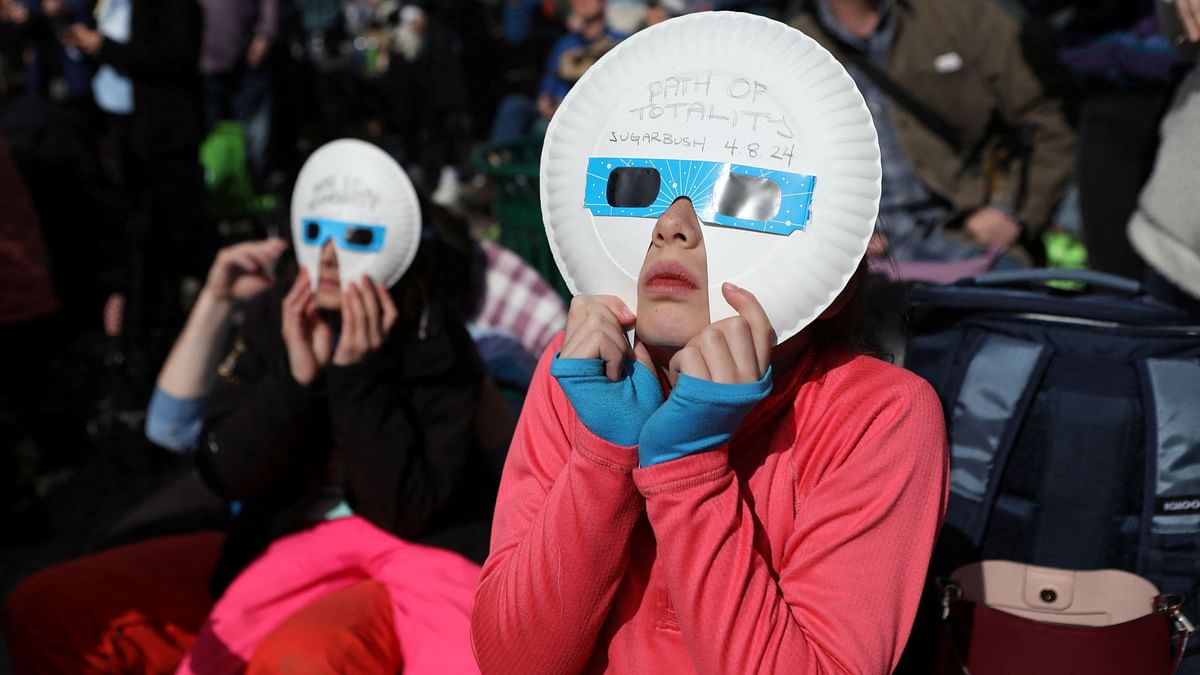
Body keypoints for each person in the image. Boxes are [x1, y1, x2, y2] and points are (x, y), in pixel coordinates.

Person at [471, 13, 949, 674]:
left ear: (833, 283)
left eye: (745, 199)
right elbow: (514, 659)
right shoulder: (580, 376)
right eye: (640, 186)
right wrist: (602, 456)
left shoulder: (879, 415)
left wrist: (691, 471)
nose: (674, 224)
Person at [3, 140, 494, 674]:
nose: (330, 257)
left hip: (404, 549)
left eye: (356, 237)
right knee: (42, 608)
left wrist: (358, 374)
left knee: (304, 656)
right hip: (276, 549)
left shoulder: (431, 335)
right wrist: (295, 380)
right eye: (316, 233)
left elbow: (405, 508)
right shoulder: (273, 319)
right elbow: (224, 470)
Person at [789, 0, 1076, 270]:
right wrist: (830, 234)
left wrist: (1013, 212)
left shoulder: (963, 16)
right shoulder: (789, 43)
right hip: (855, 264)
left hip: (967, 241)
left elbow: (1048, 118)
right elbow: (774, 165)